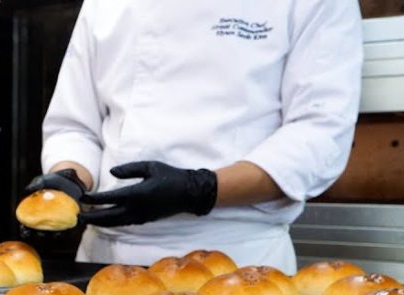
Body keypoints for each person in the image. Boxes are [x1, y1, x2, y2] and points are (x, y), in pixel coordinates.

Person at [27, 1, 363, 272]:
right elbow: (74, 125)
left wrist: (200, 189)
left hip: (237, 263)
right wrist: (70, 177)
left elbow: (318, 133)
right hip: (108, 260)